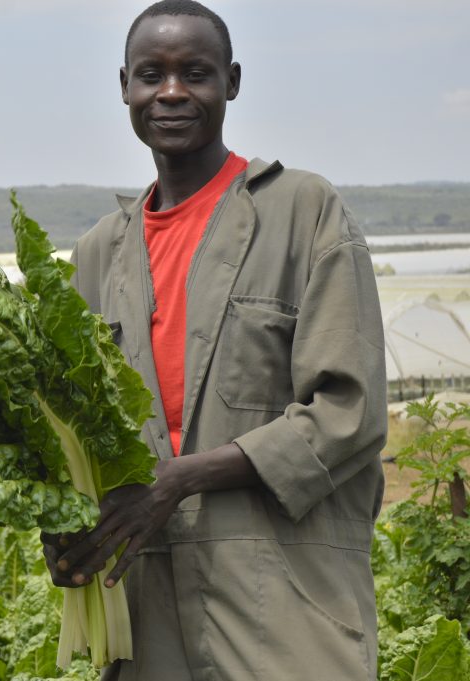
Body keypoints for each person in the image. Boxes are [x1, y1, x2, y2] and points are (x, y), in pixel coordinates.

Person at [45, 2, 387, 679]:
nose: (171, 93)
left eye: (194, 73)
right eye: (151, 75)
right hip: (142, 609)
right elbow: (66, 436)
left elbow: (348, 410)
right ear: (124, 87)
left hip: (286, 595)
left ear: (231, 82)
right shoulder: (96, 255)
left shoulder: (301, 210)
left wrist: (180, 478)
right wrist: (62, 527)